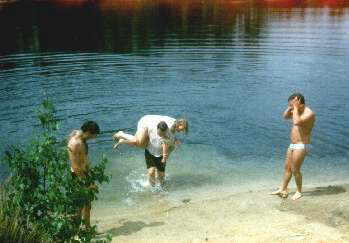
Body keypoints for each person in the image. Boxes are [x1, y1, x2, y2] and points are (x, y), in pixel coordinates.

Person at [271, 93, 315, 200]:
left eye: (294, 103)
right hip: (293, 144)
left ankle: (299, 191)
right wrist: (290, 107)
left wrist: (294, 108)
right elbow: (285, 116)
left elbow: (296, 122)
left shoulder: (309, 113)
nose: (292, 106)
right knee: (287, 168)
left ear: (300, 103)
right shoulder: (296, 110)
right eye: (291, 104)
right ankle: (283, 188)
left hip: (302, 145)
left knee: (295, 170)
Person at [67, 121, 100, 228]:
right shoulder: (75, 143)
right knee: (79, 206)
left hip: (85, 174)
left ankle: (87, 229)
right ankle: (75, 232)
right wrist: (87, 183)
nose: (93, 138)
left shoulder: (80, 136)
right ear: (88, 132)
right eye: (92, 136)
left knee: (88, 205)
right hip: (78, 176)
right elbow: (75, 166)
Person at [112, 115, 188, 149]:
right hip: (145, 122)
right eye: (182, 129)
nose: (181, 131)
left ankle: (122, 140)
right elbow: (164, 135)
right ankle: (121, 134)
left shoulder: (174, 125)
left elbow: (169, 135)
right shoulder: (169, 125)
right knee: (137, 142)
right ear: (179, 123)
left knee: (140, 145)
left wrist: (175, 140)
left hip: (151, 125)